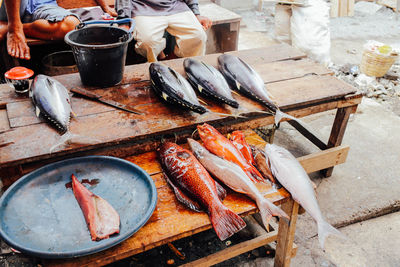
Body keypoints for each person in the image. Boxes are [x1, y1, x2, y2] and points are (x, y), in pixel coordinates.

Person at [0, 0, 117, 60]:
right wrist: (14, 27)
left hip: (43, 5)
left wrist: (105, 7)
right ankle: (13, 27)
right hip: (9, 8)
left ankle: (7, 28)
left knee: (72, 25)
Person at [115, 0, 212, 62]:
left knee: (198, 35)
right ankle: (157, 68)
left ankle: (179, 63)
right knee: (147, 42)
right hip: (143, 7)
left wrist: (196, 14)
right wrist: (124, 20)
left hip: (176, 6)